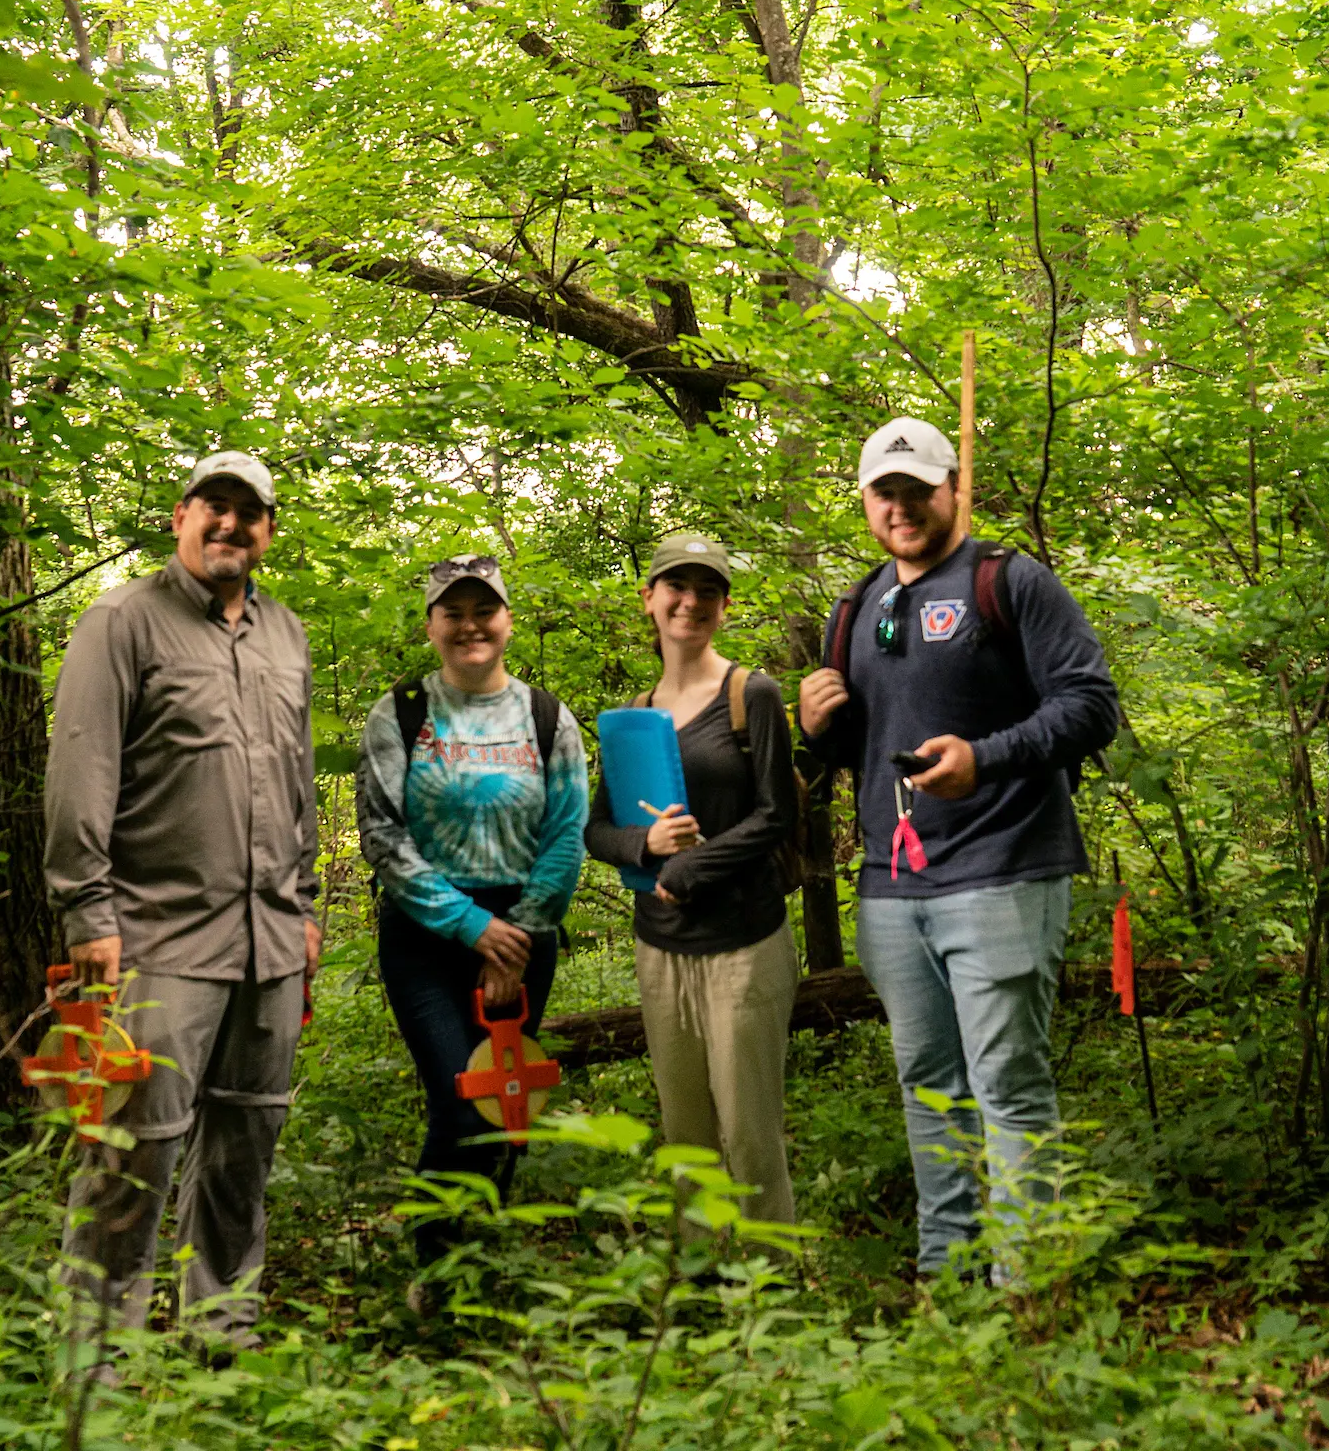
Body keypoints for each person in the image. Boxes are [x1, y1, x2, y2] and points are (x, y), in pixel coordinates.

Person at [797, 419, 1121, 1280]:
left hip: (1004, 870)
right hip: (894, 889)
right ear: (866, 502)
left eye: (917, 489)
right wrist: (817, 726)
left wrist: (986, 759)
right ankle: (949, 1276)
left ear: (953, 489)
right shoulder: (857, 607)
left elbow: (1091, 706)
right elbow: (855, 756)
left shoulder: (1009, 584)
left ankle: (1028, 1286)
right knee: (929, 1089)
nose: (901, 506)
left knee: (1009, 1086)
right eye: (884, 492)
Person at [42, 450, 320, 1371]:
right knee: (134, 1155)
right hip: (156, 939)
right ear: (180, 516)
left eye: (250, 512)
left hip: (271, 941)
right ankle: (96, 1364)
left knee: (245, 1151)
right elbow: (82, 770)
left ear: (269, 531)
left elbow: (297, 780)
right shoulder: (122, 620)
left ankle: (221, 1346)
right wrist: (89, 912)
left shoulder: (287, 635)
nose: (231, 525)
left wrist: (307, 902)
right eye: (216, 506)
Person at [354, 554, 586, 1298]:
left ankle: (486, 1261)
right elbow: (384, 836)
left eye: (483, 609)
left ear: (507, 620)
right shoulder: (400, 716)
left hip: (524, 939)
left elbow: (567, 831)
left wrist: (515, 932)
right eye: (452, 612)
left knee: (506, 1109)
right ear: (431, 626)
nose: (469, 625)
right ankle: (436, 1266)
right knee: (460, 1103)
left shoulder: (548, 717)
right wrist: (469, 928)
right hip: (426, 938)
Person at [585, 535, 799, 1227]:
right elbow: (596, 831)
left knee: (748, 1136)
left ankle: (769, 1291)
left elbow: (776, 816)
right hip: (661, 949)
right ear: (648, 599)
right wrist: (645, 844)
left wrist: (686, 867)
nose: (691, 602)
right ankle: (702, 1289)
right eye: (676, 587)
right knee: (688, 1139)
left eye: (708, 590)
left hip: (744, 944)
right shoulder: (634, 717)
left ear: (725, 606)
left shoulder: (751, 695)